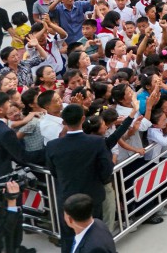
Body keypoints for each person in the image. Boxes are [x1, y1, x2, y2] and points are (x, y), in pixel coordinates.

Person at [44, 104, 115, 253]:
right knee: (93, 235)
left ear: (63, 122)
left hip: (67, 197)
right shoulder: (96, 142)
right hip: (93, 196)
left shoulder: (52, 146)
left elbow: (53, 171)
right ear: (83, 119)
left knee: (69, 238)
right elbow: (106, 170)